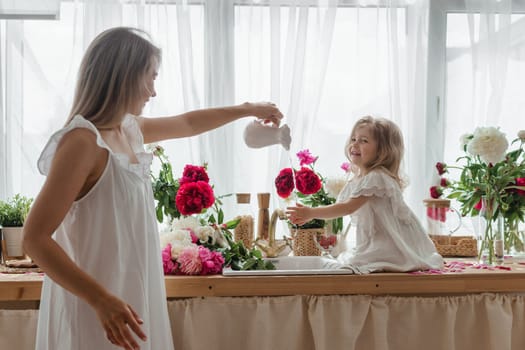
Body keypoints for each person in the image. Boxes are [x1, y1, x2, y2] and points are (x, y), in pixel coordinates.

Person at [22, 27, 283, 350]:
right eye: (151, 77)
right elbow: (34, 238)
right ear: (125, 76)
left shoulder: (129, 131)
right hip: (93, 308)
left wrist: (248, 109)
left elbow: (188, 124)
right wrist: (101, 299)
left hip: (130, 297)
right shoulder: (82, 142)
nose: (153, 92)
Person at [286, 116, 443, 274]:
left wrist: (311, 213)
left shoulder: (376, 177)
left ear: (382, 151)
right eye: (354, 139)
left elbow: (346, 208)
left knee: (352, 265)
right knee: (347, 262)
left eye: (364, 141)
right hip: (379, 244)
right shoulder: (360, 179)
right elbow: (344, 208)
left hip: (391, 248)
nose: (354, 144)